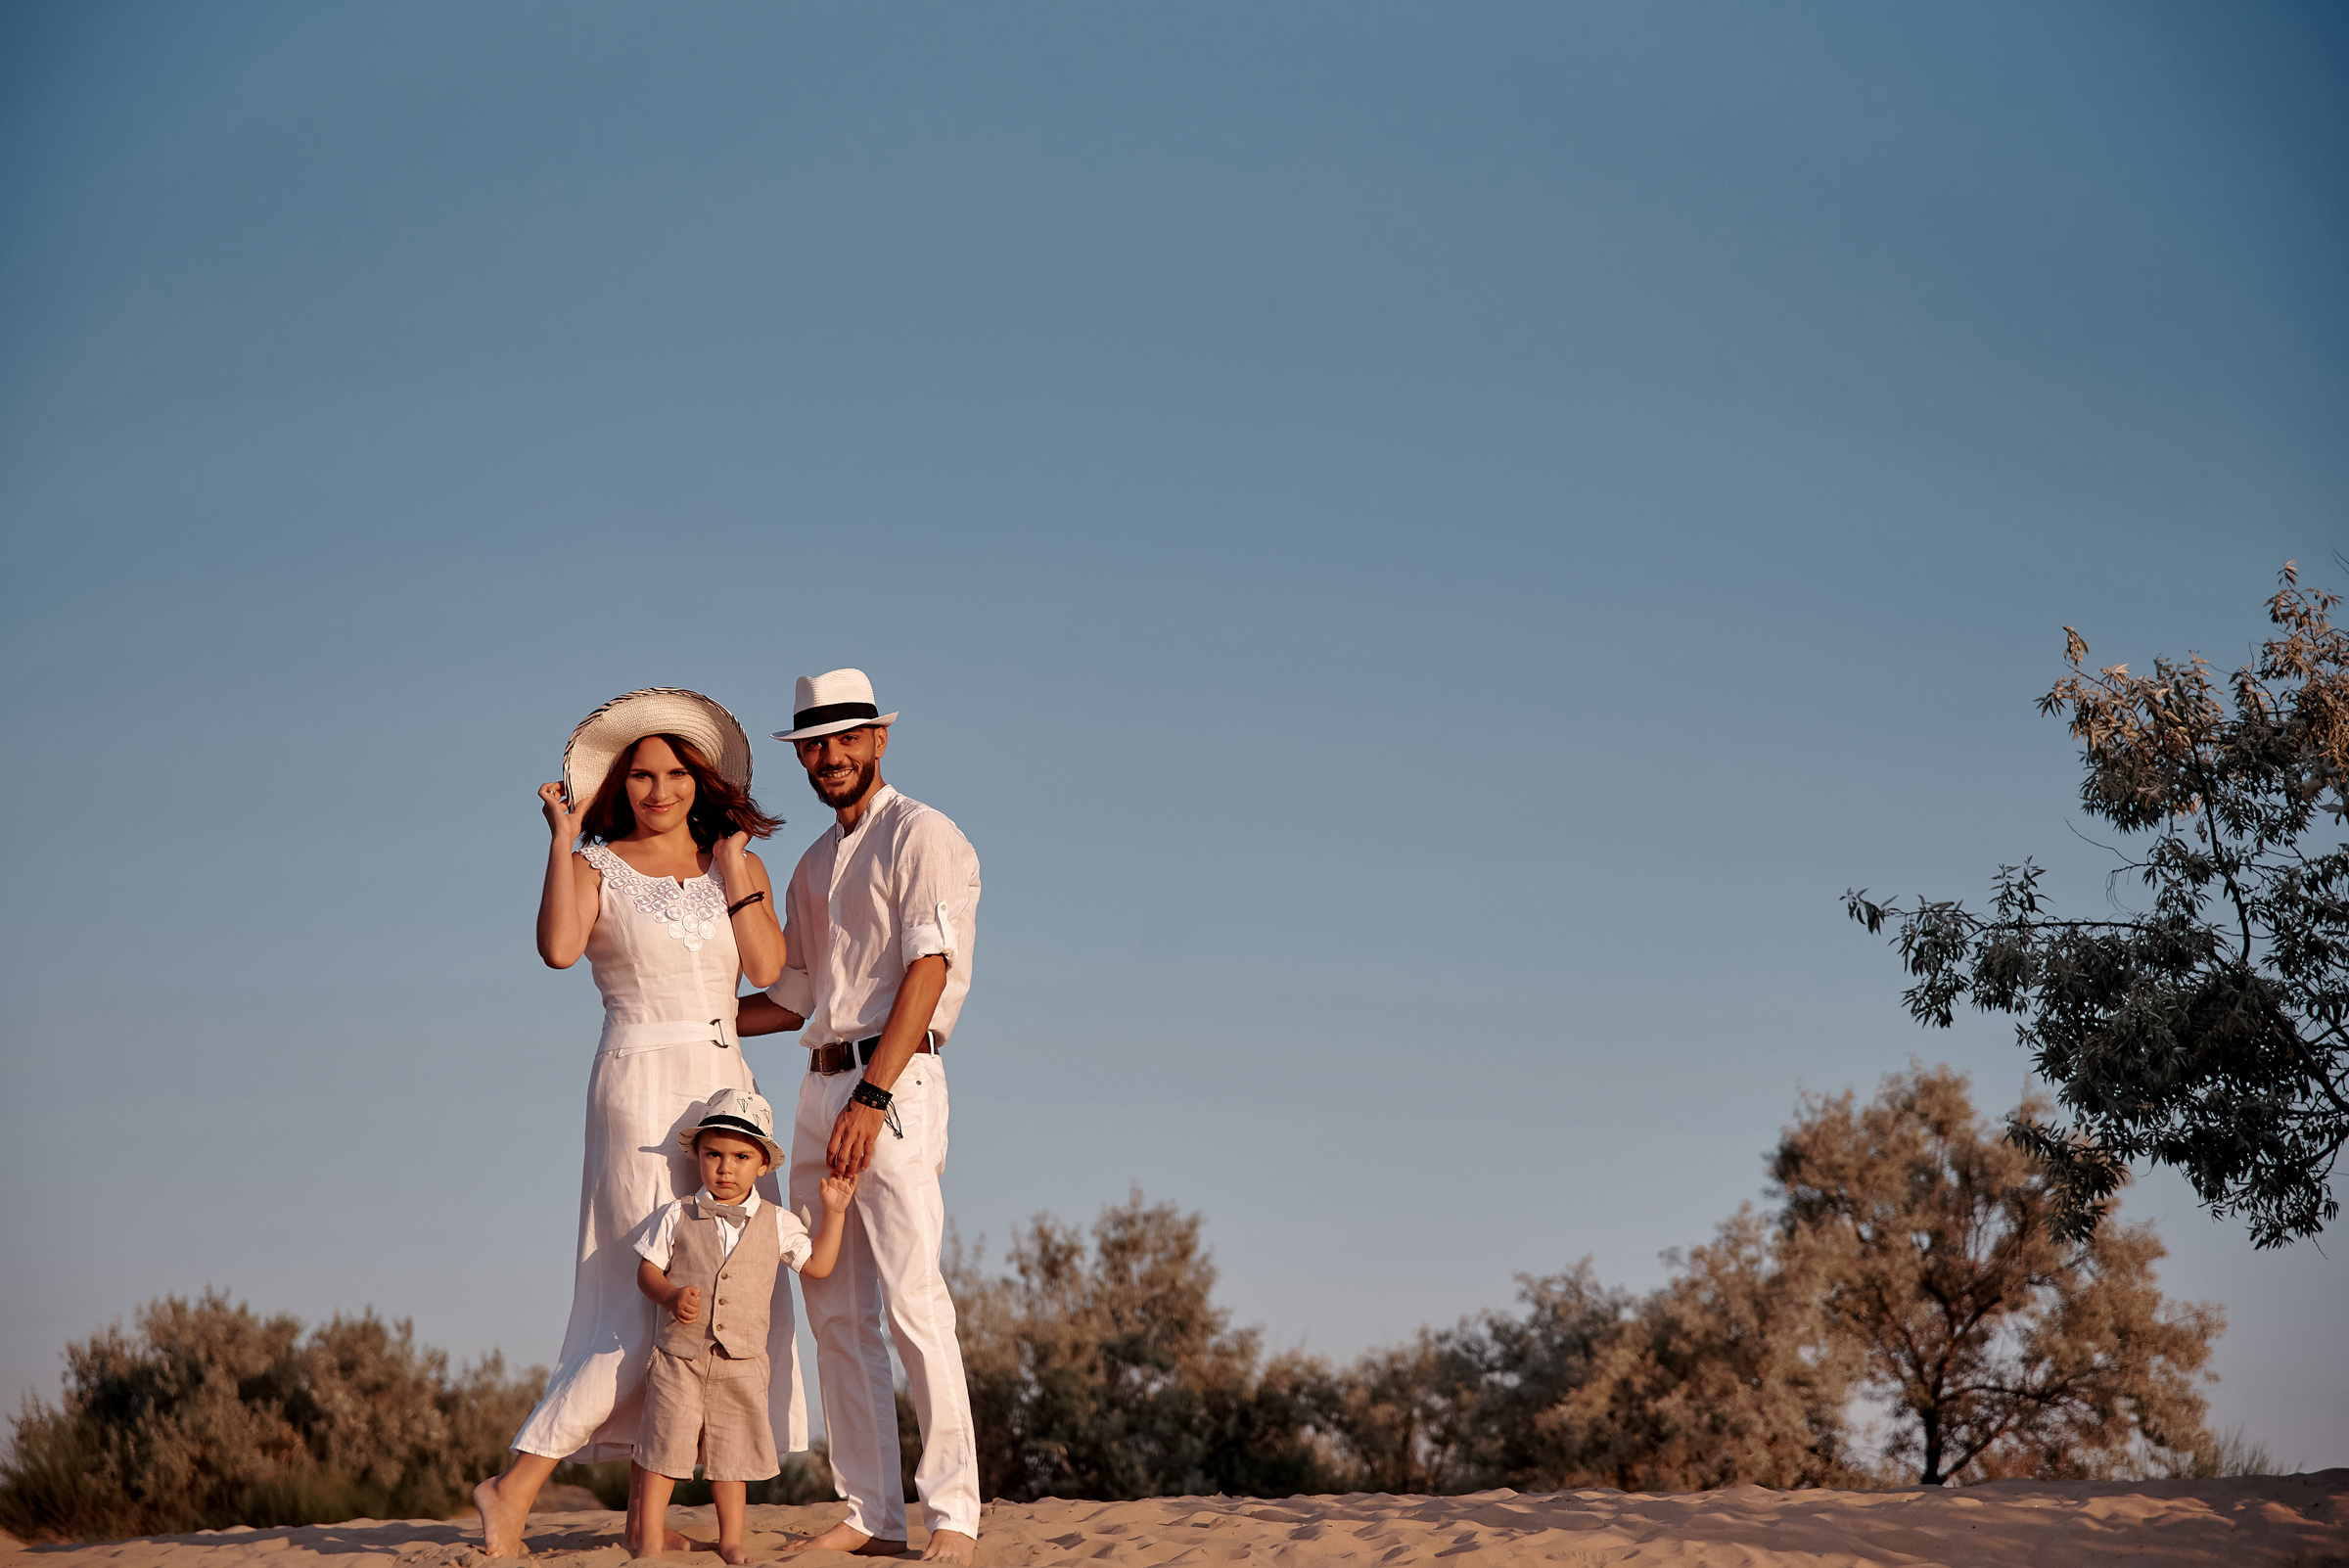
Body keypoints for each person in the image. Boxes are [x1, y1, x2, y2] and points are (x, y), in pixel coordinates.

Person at [474, 688, 797, 1559]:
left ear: (703, 780)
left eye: (677, 773)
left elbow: (772, 973)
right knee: (635, 1297)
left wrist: (733, 868)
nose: (660, 790)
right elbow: (556, 951)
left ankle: (638, 1523)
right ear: (619, 786)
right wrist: (557, 838)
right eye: (643, 775)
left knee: (719, 1293)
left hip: (725, 1086)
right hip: (639, 1089)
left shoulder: (737, 865)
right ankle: (513, 1489)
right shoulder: (595, 864)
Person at [736, 669, 984, 1564]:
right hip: (816, 1085)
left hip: (896, 1079)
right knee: (832, 1308)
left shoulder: (925, 835)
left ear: (879, 741)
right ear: (801, 755)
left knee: (916, 1301)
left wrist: (874, 1097)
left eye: (846, 739)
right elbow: (795, 994)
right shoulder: (809, 864)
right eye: (814, 744)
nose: (830, 756)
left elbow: (929, 968)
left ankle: (953, 1516)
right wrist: (694, 1009)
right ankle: (872, 1512)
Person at [631, 1088, 856, 1564]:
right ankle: (648, 1536)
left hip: (742, 1362)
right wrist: (670, 1294)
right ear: (696, 1156)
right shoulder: (677, 1215)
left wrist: (833, 1212)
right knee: (663, 1446)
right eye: (713, 1154)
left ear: (762, 1164)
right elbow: (646, 1271)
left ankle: (731, 1540)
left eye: (740, 1156)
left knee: (730, 1456)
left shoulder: (778, 1223)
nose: (725, 1167)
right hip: (679, 1358)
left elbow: (818, 1266)